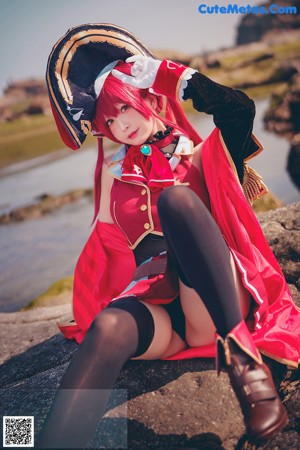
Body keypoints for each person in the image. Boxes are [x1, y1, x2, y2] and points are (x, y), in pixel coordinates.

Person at [37, 23, 300, 448]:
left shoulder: (201, 154)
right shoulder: (111, 177)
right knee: (107, 327)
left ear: (146, 98)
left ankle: (247, 368)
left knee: (175, 203)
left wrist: (176, 76)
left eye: (125, 107)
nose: (121, 124)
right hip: (162, 313)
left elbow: (238, 109)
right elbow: (102, 257)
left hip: (213, 301)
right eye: (109, 118)